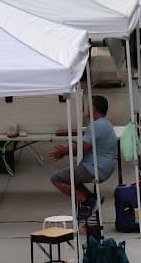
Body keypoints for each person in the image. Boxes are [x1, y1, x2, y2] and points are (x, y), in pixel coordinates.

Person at [50, 94, 117, 222]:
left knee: (56, 178)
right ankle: (91, 199)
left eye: (88, 106)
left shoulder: (95, 126)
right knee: (73, 177)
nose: (86, 109)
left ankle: (87, 203)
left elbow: (84, 148)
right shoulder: (106, 123)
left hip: (96, 167)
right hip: (103, 166)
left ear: (93, 109)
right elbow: (86, 147)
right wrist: (67, 151)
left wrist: (65, 150)